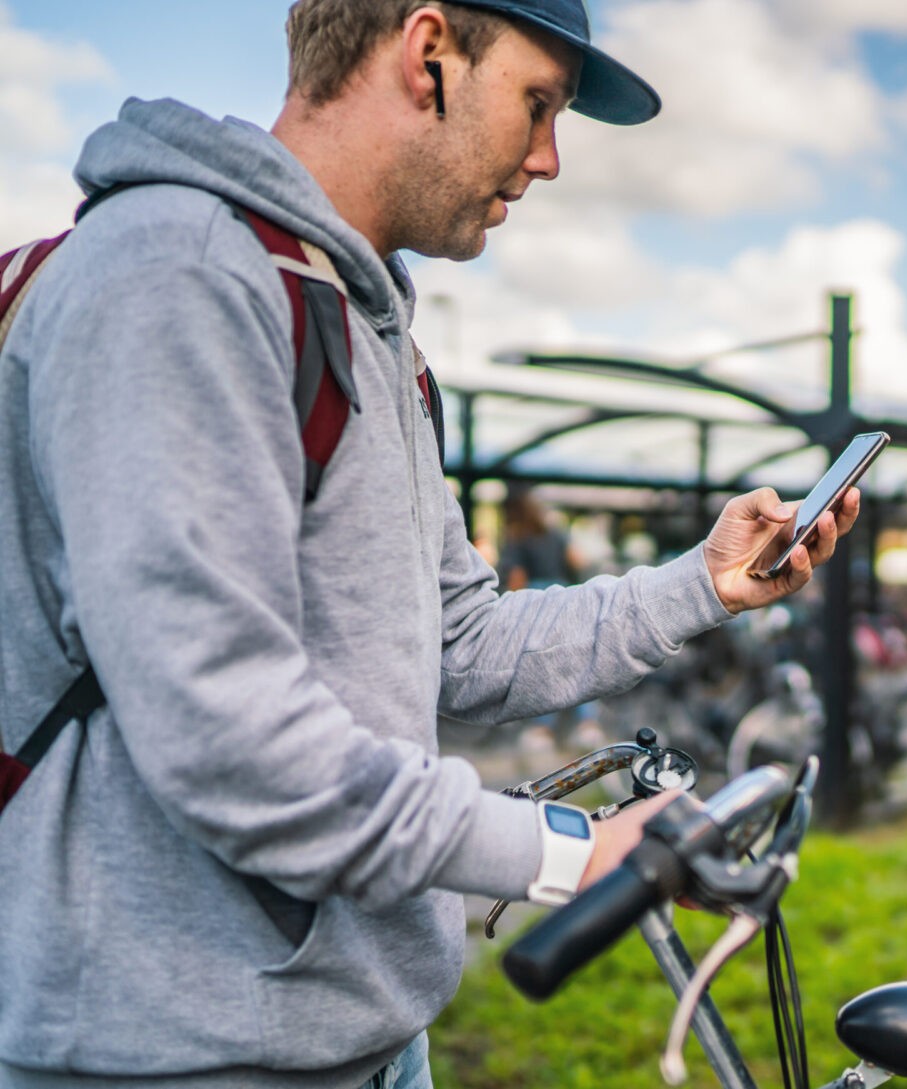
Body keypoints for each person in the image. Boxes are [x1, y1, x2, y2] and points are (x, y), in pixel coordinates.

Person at [0, 2, 860, 1087]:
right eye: (538, 105)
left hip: (360, 1032)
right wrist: (576, 851)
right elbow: (228, 739)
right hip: (171, 1051)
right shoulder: (181, 278)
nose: (548, 160)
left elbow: (459, 642)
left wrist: (704, 584)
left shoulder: (365, 322)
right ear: (429, 53)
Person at [496, 483, 580, 590]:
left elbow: (517, 578)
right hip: (560, 592)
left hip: (534, 597)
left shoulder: (517, 539)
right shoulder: (555, 532)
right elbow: (576, 561)